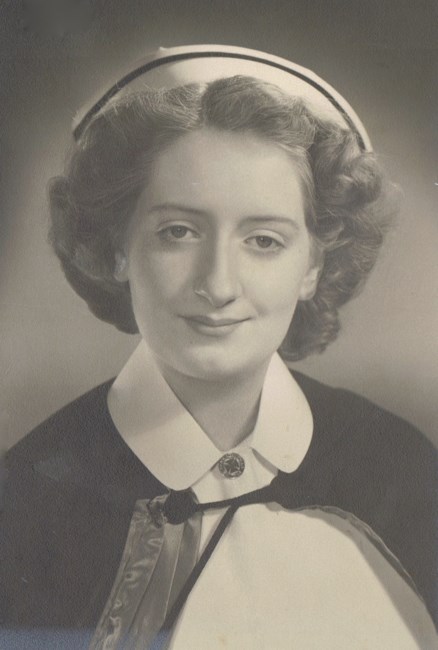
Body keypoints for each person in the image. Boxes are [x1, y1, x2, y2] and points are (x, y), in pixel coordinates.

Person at [1, 45, 437, 649]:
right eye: (178, 232)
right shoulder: (26, 501)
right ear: (117, 248)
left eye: (263, 240)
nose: (218, 284)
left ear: (314, 264)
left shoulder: (403, 469)